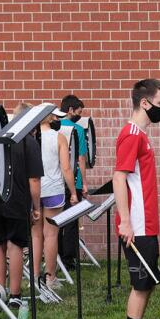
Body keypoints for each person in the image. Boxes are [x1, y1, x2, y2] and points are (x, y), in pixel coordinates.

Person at [114, 79, 160, 319]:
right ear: (144, 103)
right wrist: (125, 221)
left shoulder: (141, 135)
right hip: (136, 225)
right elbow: (119, 177)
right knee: (141, 284)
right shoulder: (131, 134)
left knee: (147, 283)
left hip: (146, 224)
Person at [0, 102, 43, 307]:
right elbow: (34, 180)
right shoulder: (29, 142)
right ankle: (15, 295)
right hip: (18, 200)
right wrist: (36, 207)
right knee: (16, 245)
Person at [32, 108, 77, 289]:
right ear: (50, 118)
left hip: (34, 189)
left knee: (35, 235)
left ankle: (35, 277)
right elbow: (66, 168)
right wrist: (73, 192)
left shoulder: (31, 137)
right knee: (51, 235)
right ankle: (50, 278)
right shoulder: (59, 138)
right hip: (53, 189)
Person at [58, 94, 89, 268]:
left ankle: (56, 255)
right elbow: (81, 158)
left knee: (56, 221)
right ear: (70, 110)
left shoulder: (52, 127)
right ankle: (68, 259)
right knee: (70, 221)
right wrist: (84, 182)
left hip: (55, 181)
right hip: (73, 180)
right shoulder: (76, 129)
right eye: (79, 111)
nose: (80, 115)